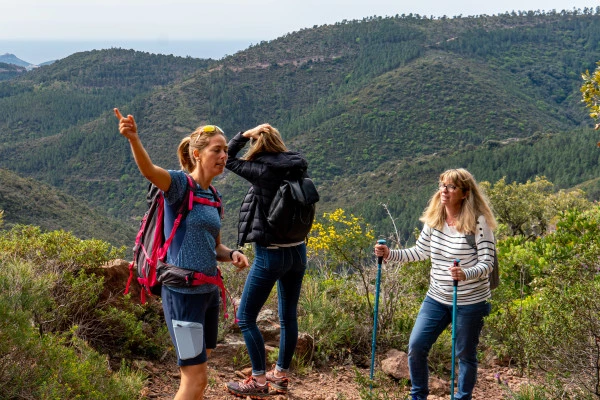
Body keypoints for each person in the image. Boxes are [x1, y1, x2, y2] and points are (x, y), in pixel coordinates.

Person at [114, 108, 249, 400]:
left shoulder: (213, 197)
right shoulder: (178, 186)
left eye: (226, 150)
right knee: (195, 379)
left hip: (208, 295)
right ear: (197, 154)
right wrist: (134, 140)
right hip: (183, 295)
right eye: (217, 150)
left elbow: (216, 248)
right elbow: (149, 171)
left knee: (200, 368)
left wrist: (233, 254)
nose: (224, 156)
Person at [374, 168, 497, 400]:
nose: (444, 191)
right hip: (437, 297)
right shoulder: (436, 219)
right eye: (442, 185)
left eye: (451, 187)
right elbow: (420, 252)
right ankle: (418, 395)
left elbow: (487, 263)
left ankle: (462, 397)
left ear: (465, 193)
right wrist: (389, 254)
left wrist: (465, 273)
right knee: (416, 347)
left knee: (465, 355)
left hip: (471, 301)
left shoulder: (478, 222)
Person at [224, 123, 310, 398]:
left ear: (257, 145)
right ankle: (280, 375)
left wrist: (242, 135)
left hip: (270, 253)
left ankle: (259, 380)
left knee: (246, 316)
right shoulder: (297, 166)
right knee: (288, 316)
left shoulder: (261, 170)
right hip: (298, 251)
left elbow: (226, 158)